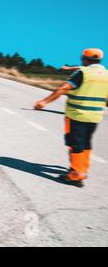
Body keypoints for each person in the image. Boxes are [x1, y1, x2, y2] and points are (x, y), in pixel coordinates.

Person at [34, 48, 108, 187]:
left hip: (77, 115)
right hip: (95, 116)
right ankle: (82, 170)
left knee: (76, 143)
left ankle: (76, 175)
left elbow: (63, 88)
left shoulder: (83, 73)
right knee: (86, 143)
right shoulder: (106, 74)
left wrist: (44, 102)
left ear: (85, 59)